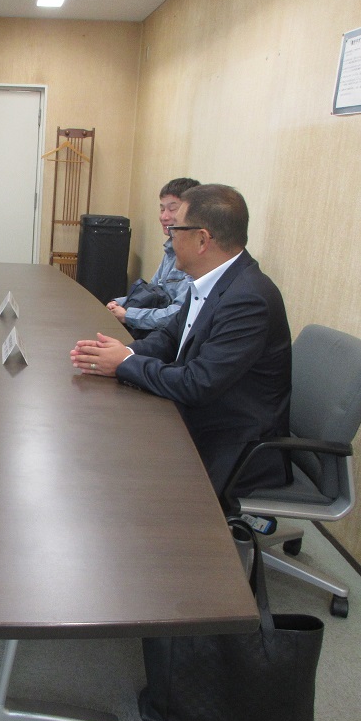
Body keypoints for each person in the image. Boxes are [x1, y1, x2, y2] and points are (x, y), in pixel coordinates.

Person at [70, 183, 291, 504]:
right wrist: (124, 352)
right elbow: (170, 337)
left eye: (175, 229)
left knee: (115, 472)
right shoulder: (212, 281)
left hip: (233, 446)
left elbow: (198, 383)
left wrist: (125, 364)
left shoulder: (247, 299)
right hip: (201, 418)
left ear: (202, 239)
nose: (169, 236)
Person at [106, 177, 199, 336]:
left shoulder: (195, 255)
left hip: (169, 337)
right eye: (162, 209)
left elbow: (179, 314)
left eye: (172, 209)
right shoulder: (171, 247)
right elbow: (153, 291)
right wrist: (120, 303)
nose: (164, 217)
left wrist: (128, 315)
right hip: (157, 333)